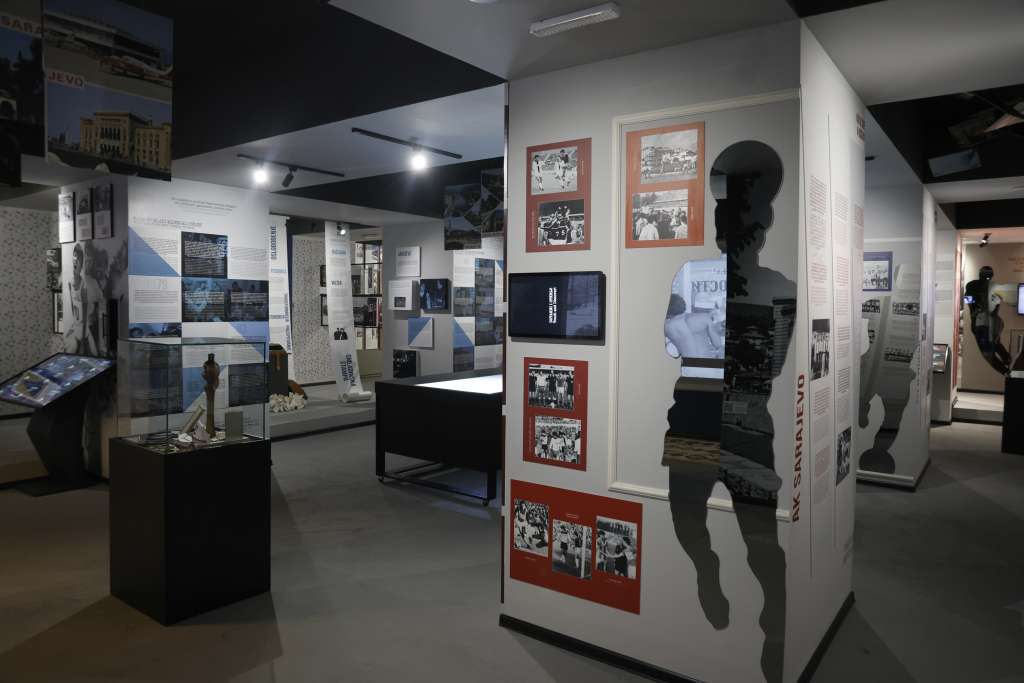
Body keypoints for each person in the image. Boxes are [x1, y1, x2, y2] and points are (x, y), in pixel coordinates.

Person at [662, 141, 792, 683]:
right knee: (698, 517)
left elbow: (675, 342)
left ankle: (772, 623)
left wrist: (707, 334)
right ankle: (719, 578)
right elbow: (773, 361)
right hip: (716, 414)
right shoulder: (772, 286)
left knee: (750, 531)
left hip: (719, 414)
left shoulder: (766, 285)